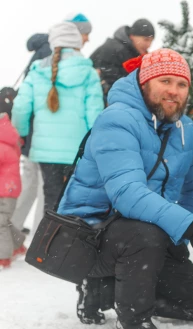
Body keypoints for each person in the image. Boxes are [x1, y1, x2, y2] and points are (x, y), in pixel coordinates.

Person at [57, 48, 193, 329]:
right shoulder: (117, 120)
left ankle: (115, 288)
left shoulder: (185, 129)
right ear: (144, 83)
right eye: (165, 81)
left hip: (142, 230)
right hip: (87, 236)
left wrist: (182, 239)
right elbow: (128, 194)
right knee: (145, 233)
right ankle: (131, 314)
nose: (173, 91)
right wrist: (192, 227)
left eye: (181, 84)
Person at [11, 22, 104, 214]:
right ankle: (66, 240)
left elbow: (20, 107)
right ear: (77, 42)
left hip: (45, 152)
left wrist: (21, 134)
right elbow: (94, 115)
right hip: (77, 152)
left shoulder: (37, 70)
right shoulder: (88, 72)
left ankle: (46, 240)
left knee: (51, 199)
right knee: (71, 203)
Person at [90, 19, 155, 102]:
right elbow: (110, 82)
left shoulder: (133, 53)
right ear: (132, 36)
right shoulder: (114, 49)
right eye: (146, 39)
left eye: (151, 41)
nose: (149, 45)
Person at [0, 97, 25, 270]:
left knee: (0, 222)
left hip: (5, 190)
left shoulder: (2, 145)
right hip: (9, 189)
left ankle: (3, 256)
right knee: (4, 221)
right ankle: (18, 245)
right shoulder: (8, 140)